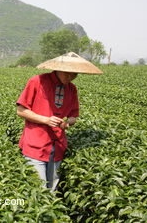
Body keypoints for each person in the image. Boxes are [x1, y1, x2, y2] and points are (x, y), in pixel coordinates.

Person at [16, 52, 103, 191]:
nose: (70, 77)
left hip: (57, 146)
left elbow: (74, 116)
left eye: (74, 74)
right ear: (58, 69)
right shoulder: (37, 81)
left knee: (53, 187)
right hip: (35, 144)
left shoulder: (72, 89)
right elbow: (21, 110)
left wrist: (68, 122)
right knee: (38, 187)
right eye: (67, 73)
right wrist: (46, 120)